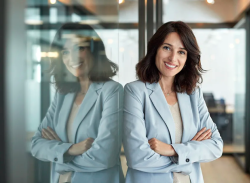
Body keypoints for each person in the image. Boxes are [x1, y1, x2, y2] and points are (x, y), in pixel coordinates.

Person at [123, 21, 223, 183]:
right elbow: (137, 157)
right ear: (155, 49)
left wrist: (171, 149)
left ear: (187, 57)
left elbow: (216, 146)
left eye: (181, 52)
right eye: (167, 48)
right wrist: (188, 158)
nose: (173, 58)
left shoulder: (193, 93)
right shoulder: (135, 91)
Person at [31, 23, 124, 183]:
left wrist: (59, 156)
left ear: (94, 50)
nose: (72, 58)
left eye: (79, 48)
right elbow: (36, 145)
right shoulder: (62, 95)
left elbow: (104, 156)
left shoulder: (112, 91)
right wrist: (72, 149)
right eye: (65, 51)